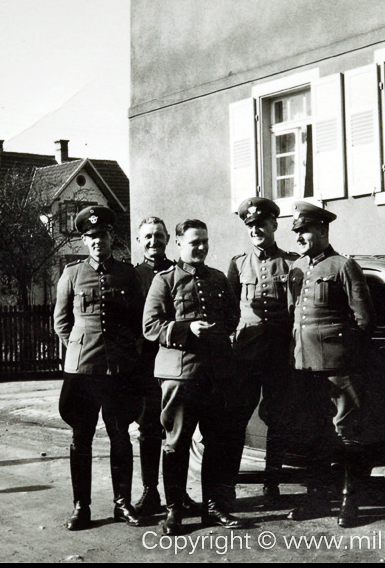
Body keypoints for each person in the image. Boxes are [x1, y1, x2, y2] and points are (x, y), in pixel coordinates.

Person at [143, 219, 242, 535]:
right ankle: (174, 512)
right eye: (194, 242)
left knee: (217, 442)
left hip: (217, 375)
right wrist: (186, 329)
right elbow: (151, 326)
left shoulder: (217, 279)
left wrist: (218, 333)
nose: (200, 247)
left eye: (204, 241)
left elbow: (232, 315)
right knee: (177, 442)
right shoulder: (165, 280)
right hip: (181, 375)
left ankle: (213, 508)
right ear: (178, 244)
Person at [53, 205, 145, 531]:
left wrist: (125, 352)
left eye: (102, 235)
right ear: (83, 240)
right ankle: (82, 507)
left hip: (119, 369)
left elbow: (138, 320)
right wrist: (80, 350)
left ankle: (122, 504)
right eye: (90, 237)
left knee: (121, 436)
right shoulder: (72, 275)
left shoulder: (127, 274)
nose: (97, 242)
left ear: (111, 237)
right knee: (82, 438)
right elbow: (62, 323)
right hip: (83, 371)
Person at [286, 201, 374, 528]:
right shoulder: (299, 269)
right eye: (296, 232)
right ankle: (318, 498)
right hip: (305, 367)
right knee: (313, 434)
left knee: (346, 432)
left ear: (322, 230)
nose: (299, 238)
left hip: (340, 367)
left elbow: (363, 320)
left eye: (304, 231)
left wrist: (342, 355)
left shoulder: (343, 266)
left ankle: (350, 502)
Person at [226, 198, 299, 503]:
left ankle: (272, 482)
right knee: (237, 418)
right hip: (246, 354)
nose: (256, 230)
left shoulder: (291, 262)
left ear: (273, 225)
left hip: (280, 354)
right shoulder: (238, 264)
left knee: (278, 418)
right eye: (250, 225)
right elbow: (228, 311)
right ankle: (228, 484)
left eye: (261, 224)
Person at [132, 217, 201, 517]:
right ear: (138, 241)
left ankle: (179, 493)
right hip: (145, 364)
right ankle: (150, 491)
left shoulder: (178, 272)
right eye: (147, 237)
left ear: (167, 240)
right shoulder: (131, 276)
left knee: (178, 430)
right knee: (149, 429)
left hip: (176, 364)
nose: (153, 242)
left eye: (158, 236)